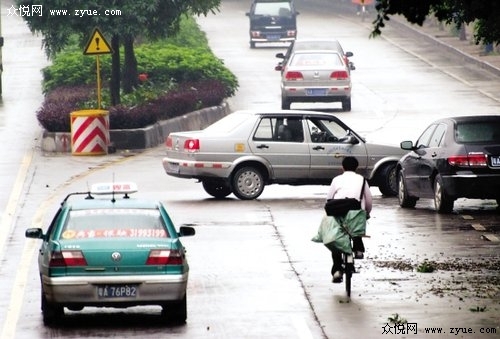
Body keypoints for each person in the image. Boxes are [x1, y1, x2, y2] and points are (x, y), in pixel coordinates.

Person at [326, 156, 372, 283]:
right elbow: (368, 200)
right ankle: (357, 249)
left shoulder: (336, 179)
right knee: (357, 221)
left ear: (342, 167)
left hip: (337, 212)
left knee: (335, 240)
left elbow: (329, 198)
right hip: (355, 212)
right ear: (356, 167)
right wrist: (367, 212)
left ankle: (337, 271)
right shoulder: (362, 180)